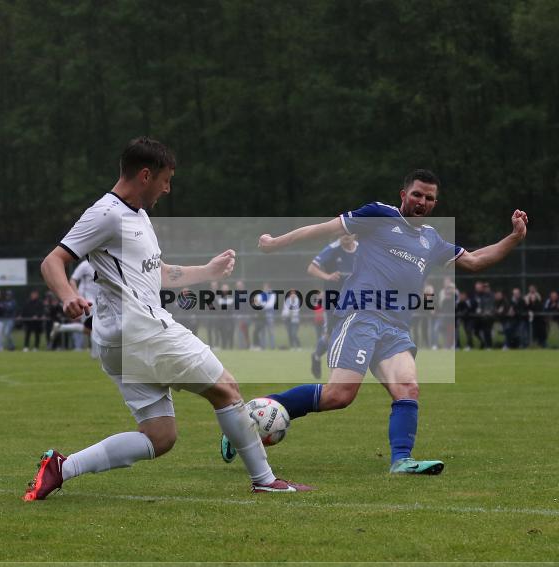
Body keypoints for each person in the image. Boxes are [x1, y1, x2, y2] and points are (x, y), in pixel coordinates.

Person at [22, 136, 311, 501]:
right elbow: (53, 261)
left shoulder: (137, 216)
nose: (168, 189)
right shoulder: (106, 213)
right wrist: (67, 296)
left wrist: (207, 271)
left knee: (160, 436)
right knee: (226, 388)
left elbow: (156, 274)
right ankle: (265, 480)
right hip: (141, 329)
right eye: (165, 180)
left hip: (120, 340)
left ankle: (62, 468)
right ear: (145, 175)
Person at [221, 169, 528, 474]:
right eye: (417, 194)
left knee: (408, 387)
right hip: (361, 315)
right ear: (403, 195)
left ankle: (402, 461)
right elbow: (325, 229)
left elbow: (474, 261)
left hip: (396, 327)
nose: (422, 201)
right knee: (339, 396)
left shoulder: (432, 239)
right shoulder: (379, 214)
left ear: (435, 203)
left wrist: (514, 237)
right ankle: (244, 423)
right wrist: (276, 243)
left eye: (430, 198)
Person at [307, 234, 359, 377]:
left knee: (351, 333)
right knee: (331, 336)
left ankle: (341, 368)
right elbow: (311, 268)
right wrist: (327, 277)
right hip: (333, 300)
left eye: (348, 233)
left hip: (354, 300)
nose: (345, 236)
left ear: (355, 234)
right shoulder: (332, 249)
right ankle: (318, 357)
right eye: (342, 233)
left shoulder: (362, 249)